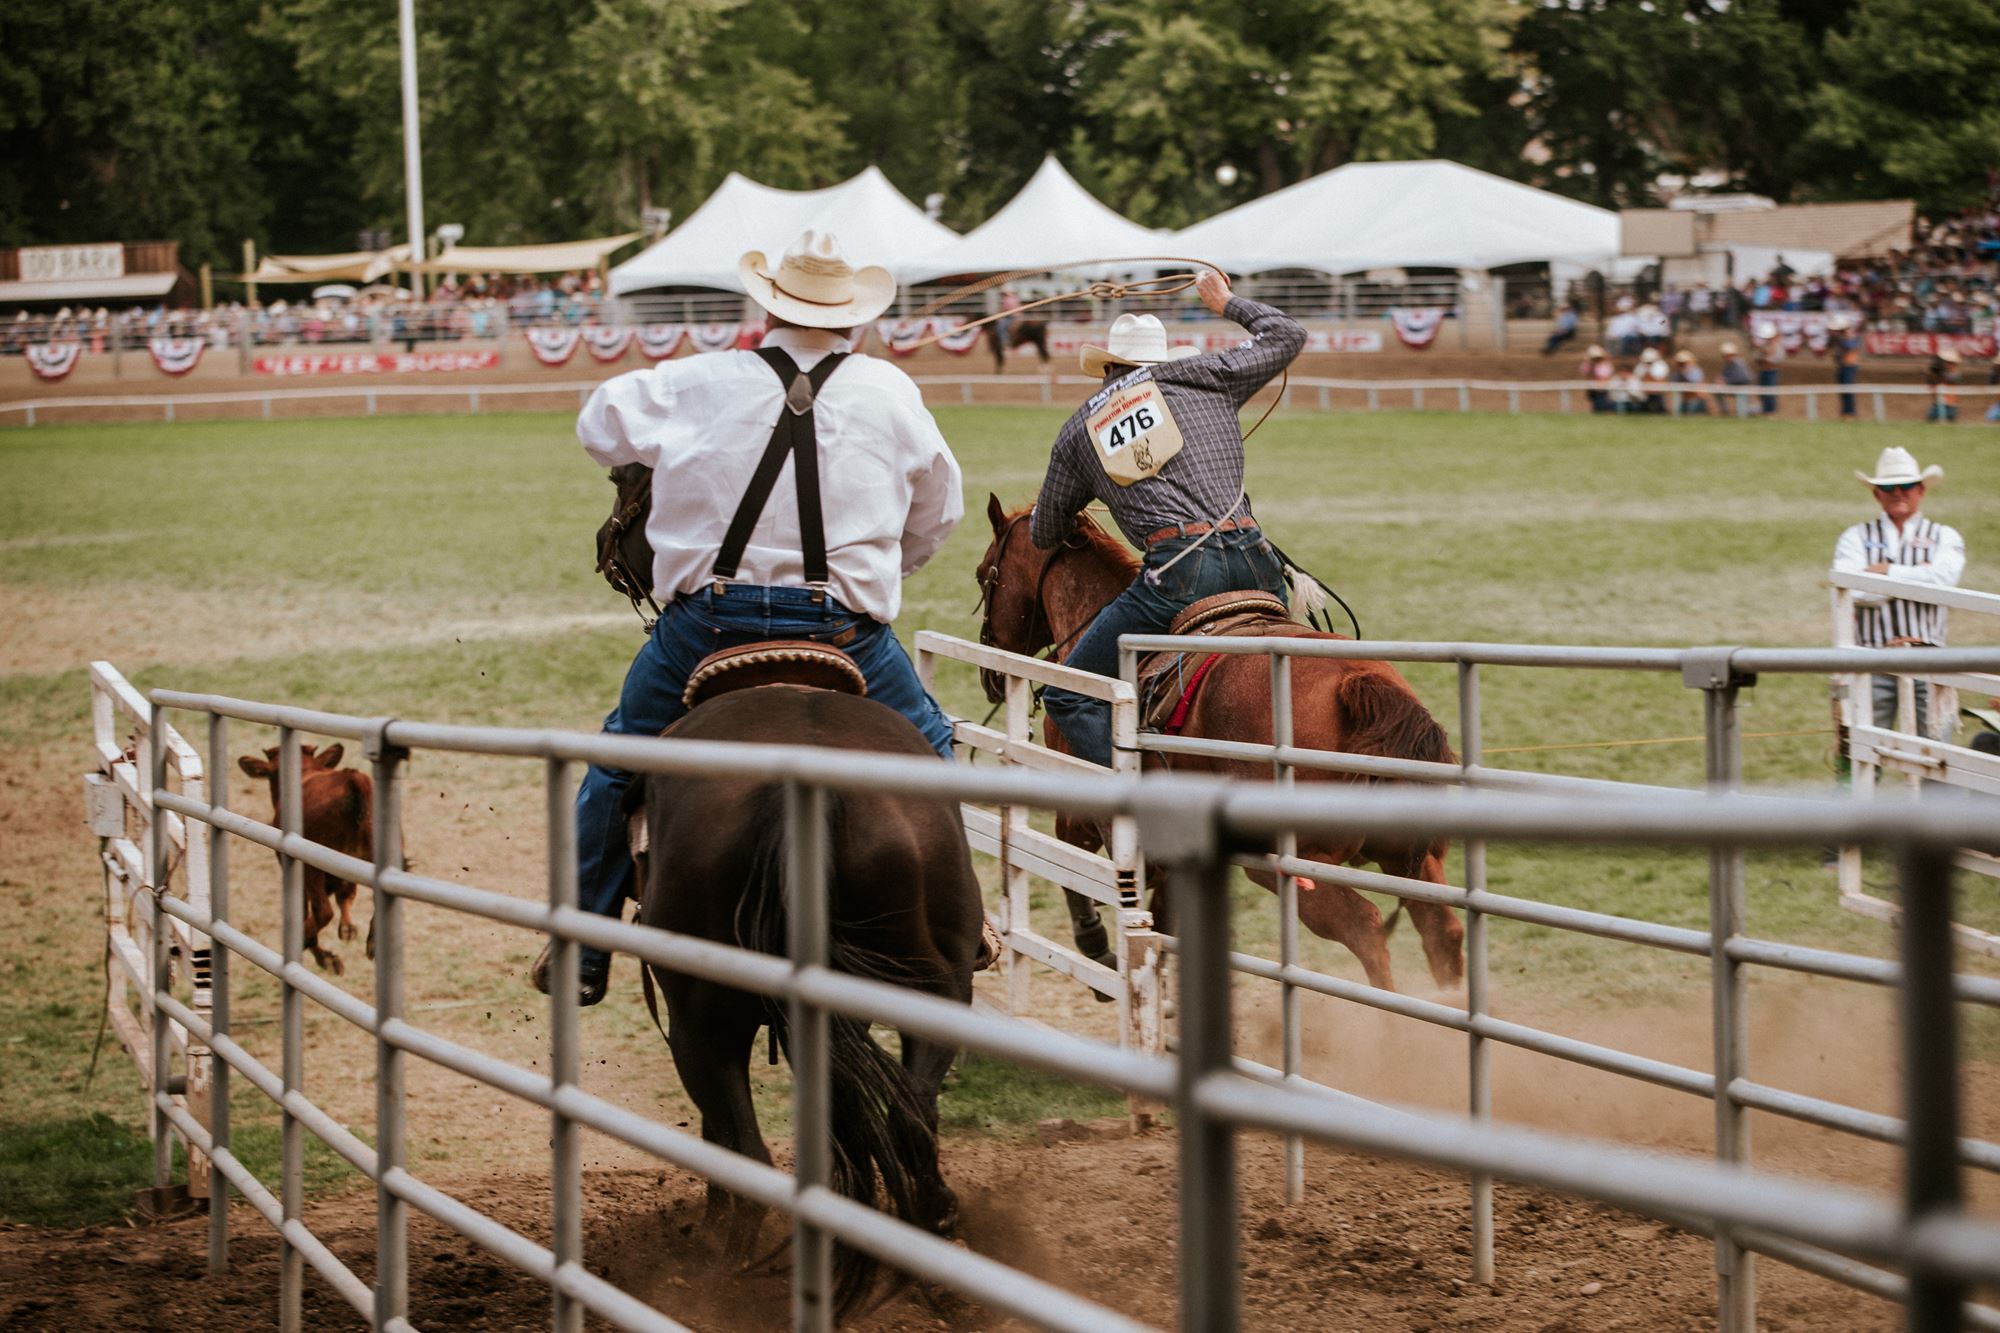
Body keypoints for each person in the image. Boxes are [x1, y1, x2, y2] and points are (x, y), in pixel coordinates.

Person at [541, 230, 964, 1005]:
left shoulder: (695, 379)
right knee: (933, 750)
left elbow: (598, 424)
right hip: (843, 630)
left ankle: (587, 943)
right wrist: (877, 573)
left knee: (616, 762)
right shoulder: (889, 389)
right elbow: (939, 511)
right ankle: (958, 927)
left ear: (766, 305)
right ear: (850, 318)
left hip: (707, 625)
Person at [1030, 270, 1300, 770]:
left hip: (1177, 575)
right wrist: (1225, 302)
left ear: (1108, 368)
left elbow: (1043, 532)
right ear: (1162, 358)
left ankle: (1152, 801)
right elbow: (1289, 335)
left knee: (1068, 696)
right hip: (1259, 563)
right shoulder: (1204, 373)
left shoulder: (1079, 430)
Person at [1831, 447, 1966, 736]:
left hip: (1928, 657)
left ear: (1921, 490)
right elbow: (1852, 590)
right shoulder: (1855, 536)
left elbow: (1943, 582)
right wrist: (1919, 575)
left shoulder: (1944, 535)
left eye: (1906, 486)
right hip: (1872, 658)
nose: (1898, 493)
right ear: (1877, 494)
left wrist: (1885, 572)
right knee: (1863, 749)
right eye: (1889, 487)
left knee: (1935, 750)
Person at [1830, 314, 1862, 420]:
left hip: (1849, 366)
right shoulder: (1841, 338)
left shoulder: (1849, 337)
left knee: (1848, 389)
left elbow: (1849, 347)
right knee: (1843, 389)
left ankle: (1850, 413)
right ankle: (1845, 412)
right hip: (1842, 365)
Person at [1752, 321, 1785, 417]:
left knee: (1770, 392)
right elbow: (1757, 358)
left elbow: (1777, 360)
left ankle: (1771, 411)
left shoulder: (1777, 347)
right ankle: (1765, 409)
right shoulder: (1763, 347)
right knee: (1762, 392)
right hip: (1764, 371)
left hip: (1772, 372)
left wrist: (1766, 357)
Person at [1926, 345, 1962, 422]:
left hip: (1950, 406)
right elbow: (1931, 382)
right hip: (1937, 404)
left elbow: (1952, 378)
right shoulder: (1938, 373)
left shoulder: (1954, 374)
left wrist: (1940, 372)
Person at [1669, 349, 1710, 414]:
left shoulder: (1696, 371)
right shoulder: (1677, 373)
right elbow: (1672, 382)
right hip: (1684, 400)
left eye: (1683, 363)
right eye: (1680, 363)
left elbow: (1694, 383)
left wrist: (1684, 373)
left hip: (1696, 399)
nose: (1682, 365)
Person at [1718, 340, 1753, 416]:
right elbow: (1723, 376)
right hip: (1732, 387)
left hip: (1742, 387)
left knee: (1742, 413)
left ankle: (1754, 410)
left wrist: (1726, 381)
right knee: (1717, 392)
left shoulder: (1739, 363)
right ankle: (1724, 411)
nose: (1727, 357)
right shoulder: (1727, 365)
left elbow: (1744, 378)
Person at [1580, 344, 1615, 413]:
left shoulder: (1605, 365)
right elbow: (1586, 373)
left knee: (1602, 405)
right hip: (1593, 389)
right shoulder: (1588, 365)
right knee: (1596, 405)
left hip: (1603, 389)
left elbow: (1604, 378)